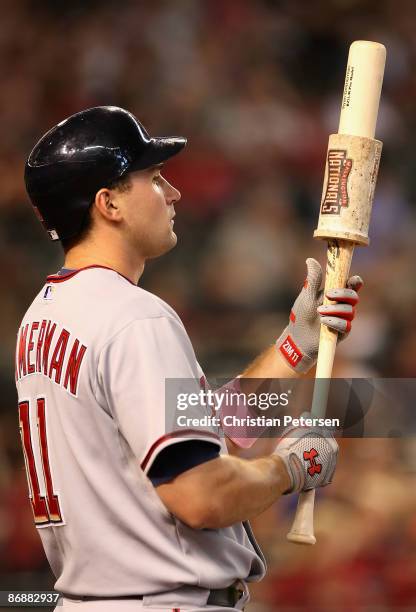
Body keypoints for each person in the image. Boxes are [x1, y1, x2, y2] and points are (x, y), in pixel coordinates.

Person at [16, 106, 362, 611]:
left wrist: (293, 350)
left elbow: (192, 434)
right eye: (154, 178)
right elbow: (201, 495)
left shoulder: (41, 318)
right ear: (108, 203)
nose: (174, 193)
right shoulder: (134, 317)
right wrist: (291, 467)